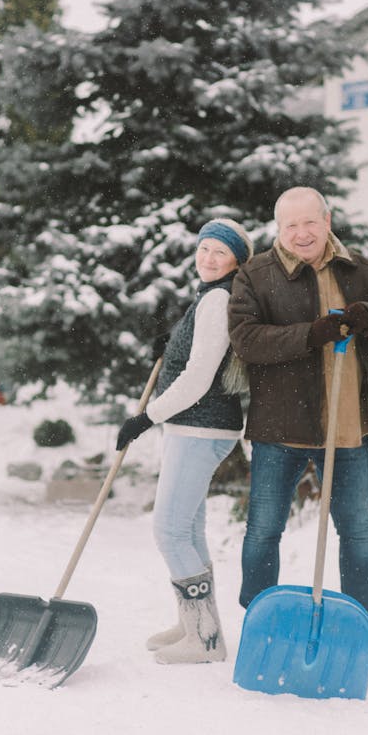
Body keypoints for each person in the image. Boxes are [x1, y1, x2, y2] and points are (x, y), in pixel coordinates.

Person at [227, 186, 368, 622]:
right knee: (263, 531)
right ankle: (258, 621)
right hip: (281, 427)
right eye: (291, 225)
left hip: (347, 427)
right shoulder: (256, 275)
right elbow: (247, 340)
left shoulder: (356, 270)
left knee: (358, 533)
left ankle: (360, 623)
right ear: (279, 229)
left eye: (310, 221)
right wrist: (312, 334)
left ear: (327, 222)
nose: (301, 233)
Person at [116, 217, 254, 664]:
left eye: (220, 252)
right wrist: (170, 344)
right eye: (204, 249)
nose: (209, 258)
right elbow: (195, 353)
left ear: (236, 260)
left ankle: (204, 639)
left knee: (169, 530)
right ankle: (198, 625)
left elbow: (199, 377)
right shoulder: (211, 296)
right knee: (189, 530)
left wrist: (145, 418)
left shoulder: (218, 298)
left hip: (201, 426)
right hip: (195, 427)